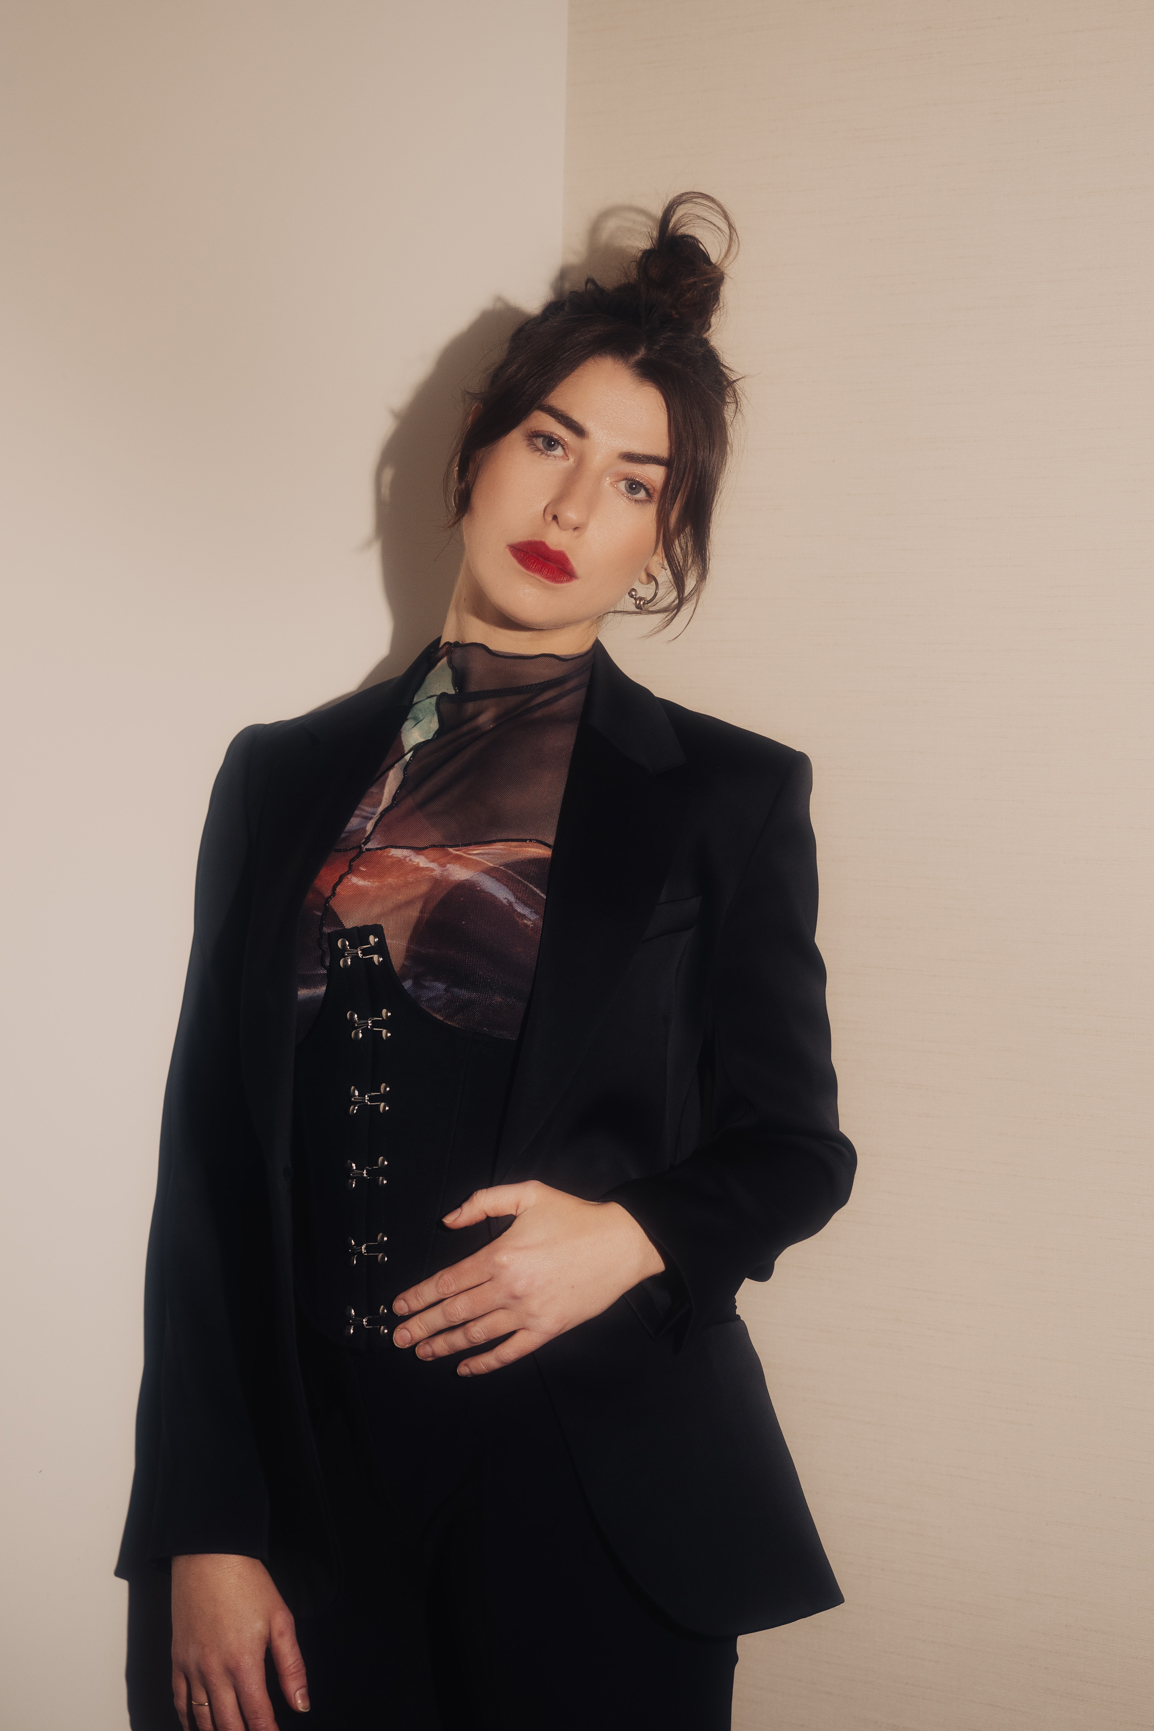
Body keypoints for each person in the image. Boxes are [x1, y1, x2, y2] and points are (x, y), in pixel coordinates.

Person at [117, 192, 857, 1731]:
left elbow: (796, 1152)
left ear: (661, 541)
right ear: (475, 449)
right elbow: (209, 1170)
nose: (574, 504)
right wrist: (206, 1523)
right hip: (314, 1517)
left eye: (635, 482)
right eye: (549, 441)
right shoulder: (276, 776)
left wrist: (629, 1234)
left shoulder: (727, 796)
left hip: (600, 1506)